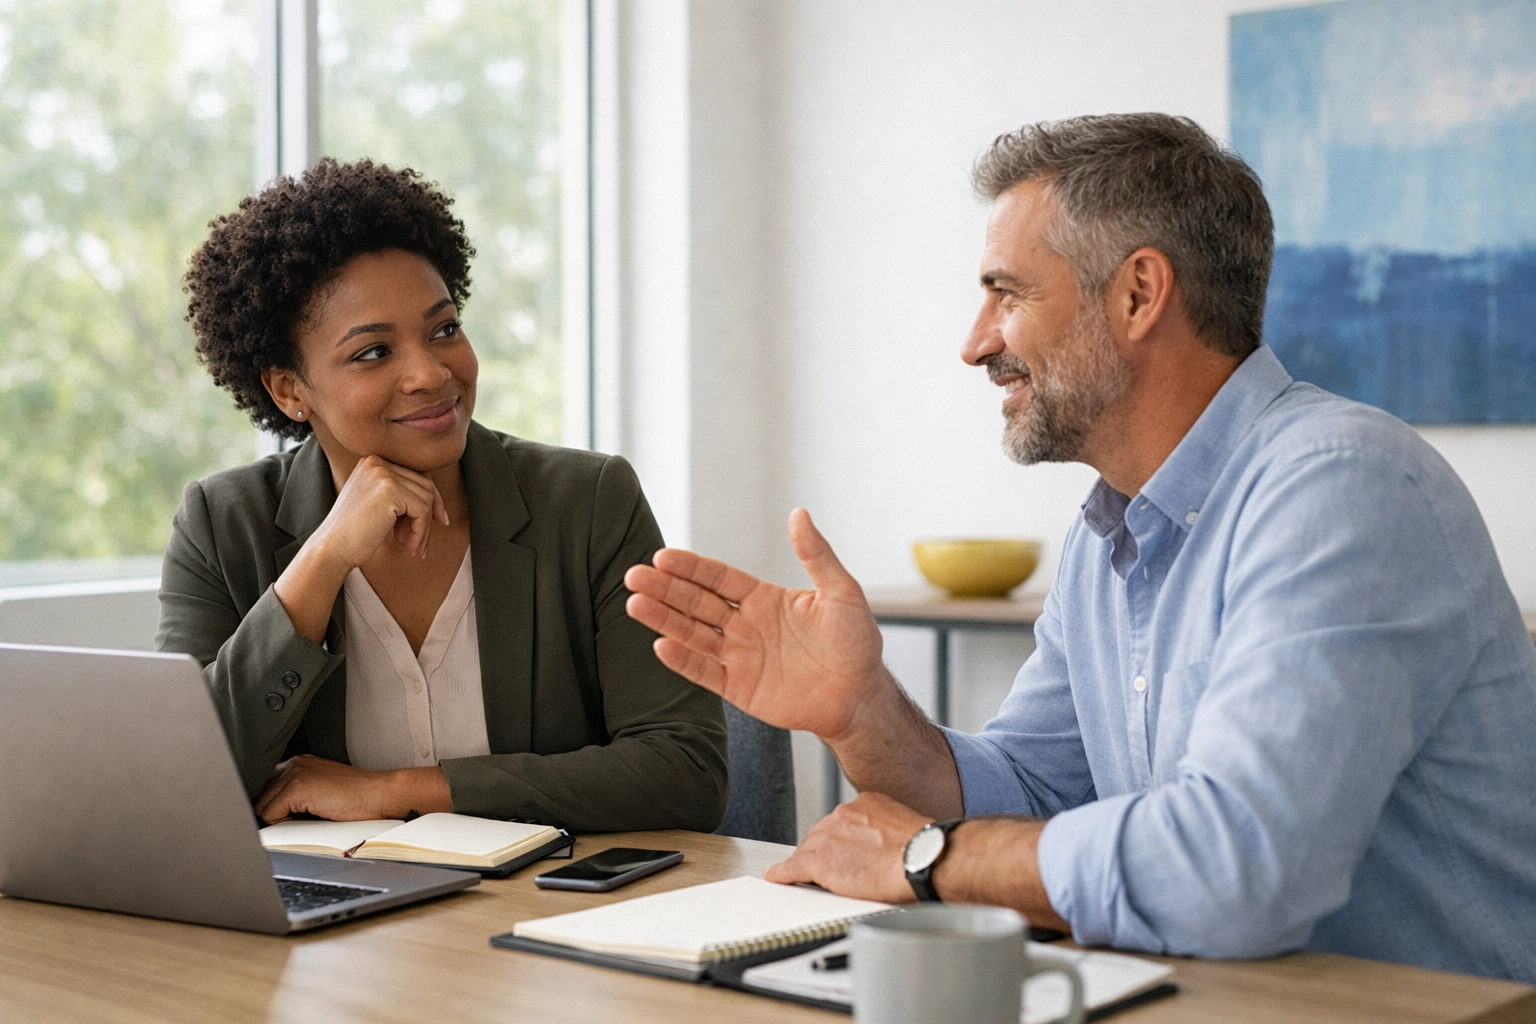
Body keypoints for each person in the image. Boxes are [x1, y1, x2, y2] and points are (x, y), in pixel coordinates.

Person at [624, 114, 1536, 982]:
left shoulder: (1341, 485)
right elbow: (1027, 789)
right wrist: (862, 712)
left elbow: (1237, 872)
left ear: (1139, 292)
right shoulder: (1109, 535)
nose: (974, 343)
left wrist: (929, 856)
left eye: (1006, 293)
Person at [158, 158, 728, 833]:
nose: (431, 374)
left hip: (547, 909)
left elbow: (685, 771)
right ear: (289, 390)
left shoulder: (588, 502)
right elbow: (178, 785)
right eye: (373, 353)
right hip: (334, 925)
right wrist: (324, 559)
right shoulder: (222, 526)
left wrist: (399, 790)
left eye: (444, 330)